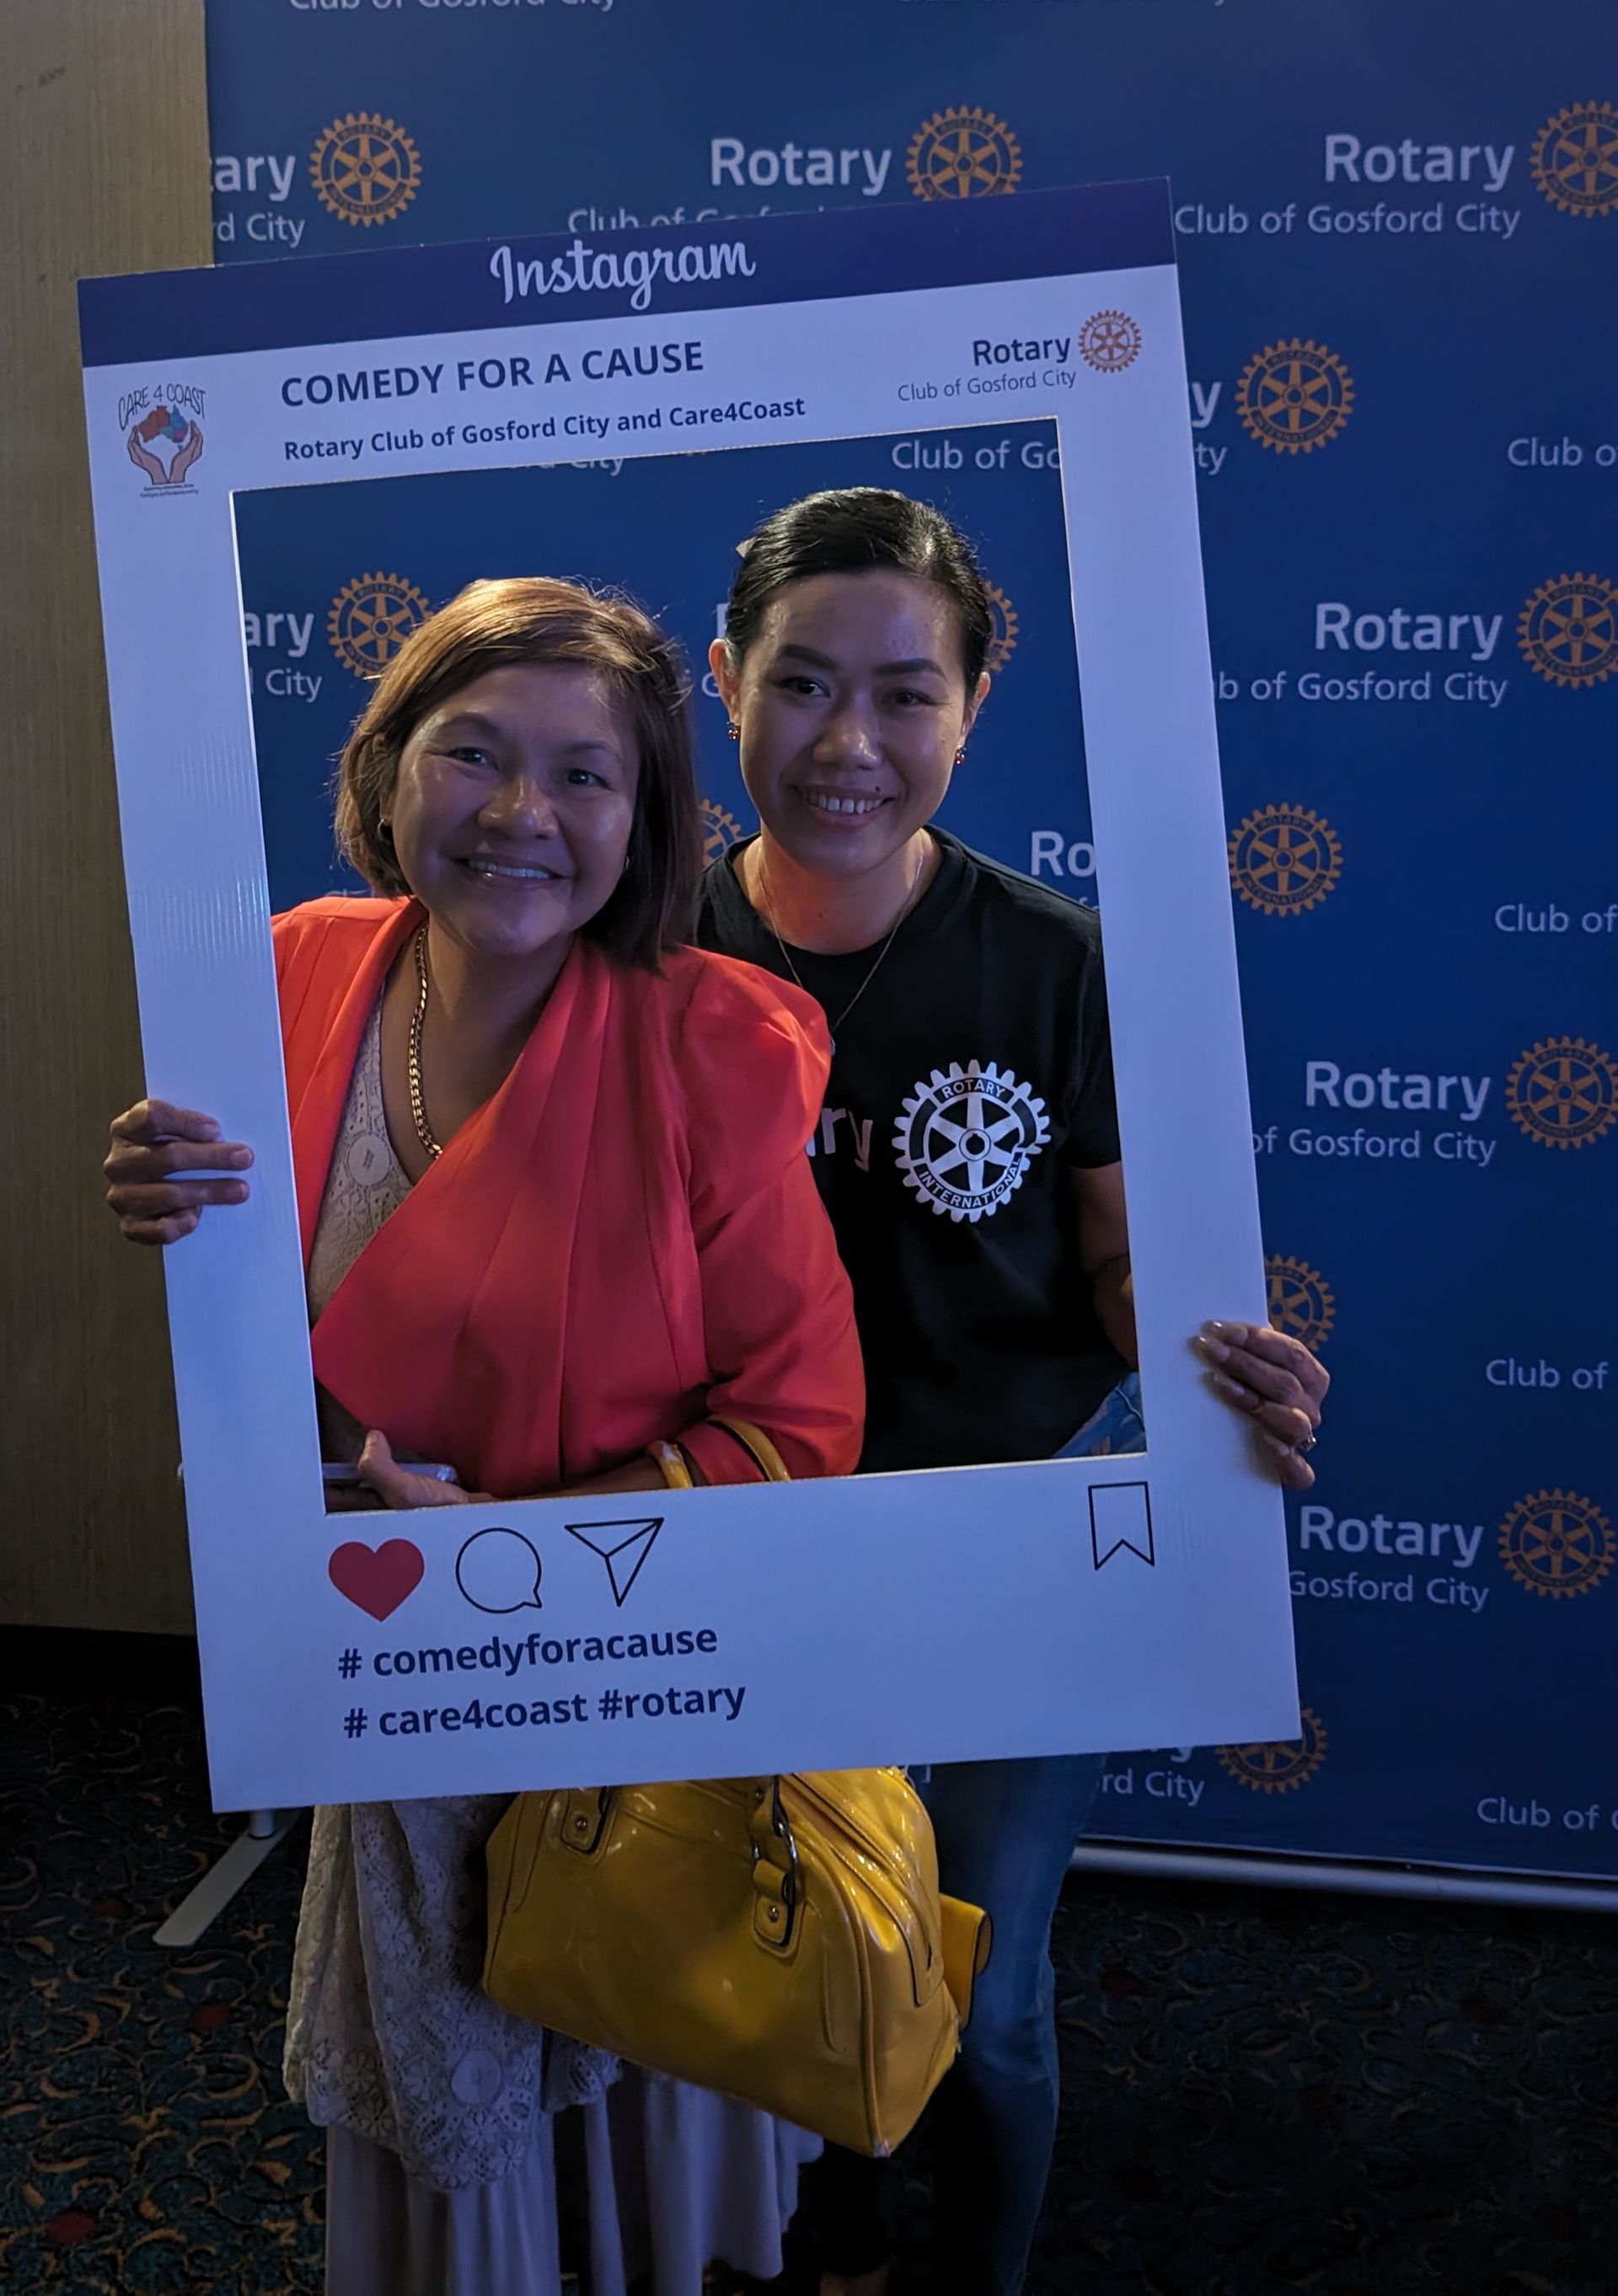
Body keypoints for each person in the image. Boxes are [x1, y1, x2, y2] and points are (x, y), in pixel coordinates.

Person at [104, 575, 867, 2296]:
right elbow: (257, 1297)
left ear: (645, 820)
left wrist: (519, 1555)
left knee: (628, 2132)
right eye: (473, 753)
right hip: (394, 1691)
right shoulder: (284, 974)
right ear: (388, 773)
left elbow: (797, 1424)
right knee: (453, 2141)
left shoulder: (716, 1044)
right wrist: (167, 1197)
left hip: (635, 1685)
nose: (524, 810)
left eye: (586, 775)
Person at [699, 487, 1330, 2296]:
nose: (850, 742)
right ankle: (827, 2245)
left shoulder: (1059, 961)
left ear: (974, 704)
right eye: (802, 683)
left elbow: (1126, 1270)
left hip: (1018, 1526)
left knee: (981, 1991)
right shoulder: (639, 942)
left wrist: (1219, 1374)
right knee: (776, 1949)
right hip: (751, 1535)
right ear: (725, 680)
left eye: (906, 693)